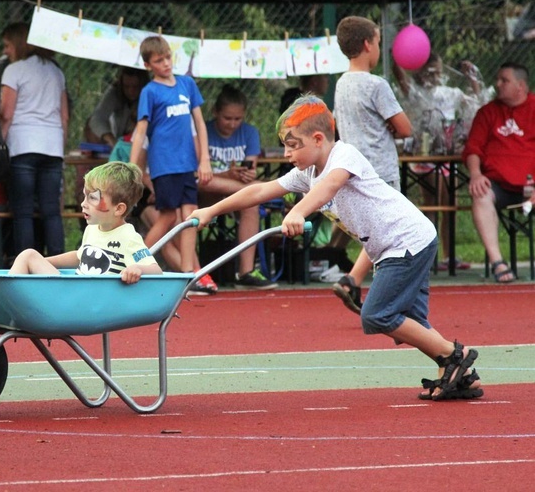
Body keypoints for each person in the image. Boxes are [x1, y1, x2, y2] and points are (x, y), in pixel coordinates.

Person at [188, 94, 483, 402]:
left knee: (377, 315)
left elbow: (330, 185)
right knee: (412, 322)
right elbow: (262, 189)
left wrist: (298, 211)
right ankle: (464, 379)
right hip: (395, 247)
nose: (287, 153)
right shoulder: (307, 173)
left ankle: (454, 356)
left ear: (318, 138)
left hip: (407, 242)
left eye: (293, 145)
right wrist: (211, 210)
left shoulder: (344, 156)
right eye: (285, 146)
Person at [331, 15, 412, 314]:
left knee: (377, 232)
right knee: (391, 233)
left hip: (352, 166)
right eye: (378, 42)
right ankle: (381, 295)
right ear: (368, 44)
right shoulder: (377, 84)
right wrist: (391, 125)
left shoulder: (341, 84)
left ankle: (354, 279)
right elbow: (405, 128)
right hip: (380, 169)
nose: (379, 48)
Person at [130, 36, 215, 295]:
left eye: (167, 57)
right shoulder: (150, 92)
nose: (166, 63)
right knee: (167, 216)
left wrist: (204, 159)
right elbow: (142, 129)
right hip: (164, 163)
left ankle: (188, 274)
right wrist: (133, 168)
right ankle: (134, 260)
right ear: (148, 65)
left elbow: (199, 123)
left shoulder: (187, 84)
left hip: (187, 162)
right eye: (159, 60)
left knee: (190, 216)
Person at [393, 52, 489, 271]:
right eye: (431, 70)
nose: (436, 75)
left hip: (446, 154)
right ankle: (426, 254)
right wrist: (398, 60)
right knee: (434, 204)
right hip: (425, 158)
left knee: (450, 206)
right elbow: (402, 82)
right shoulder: (418, 94)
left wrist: (471, 77)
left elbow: (476, 102)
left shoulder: (450, 93)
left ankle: (448, 254)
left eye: (438, 70)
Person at [9, 162, 162, 281]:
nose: (83, 203)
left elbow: (156, 270)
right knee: (28, 257)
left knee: (28, 255)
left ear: (118, 209)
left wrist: (137, 268)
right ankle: (7, 303)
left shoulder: (128, 237)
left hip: (86, 299)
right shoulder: (93, 229)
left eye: (92, 198)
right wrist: (43, 261)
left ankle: (6, 305)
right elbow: (80, 256)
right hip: (77, 294)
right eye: (84, 196)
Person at [0, 22, 68, 259]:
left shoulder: (14, 71)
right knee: (51, 211)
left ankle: (26, 262)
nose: (5, 52)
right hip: (53, 146)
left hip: (23, 145)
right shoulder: (56, 71)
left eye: (7, 46)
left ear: (19, 43)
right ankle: (59, 261)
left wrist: (0, 142)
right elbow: (64, 116)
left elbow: (6, 113)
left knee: (24, 212)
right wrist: (61, 144)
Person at [462, 62, 535, 282]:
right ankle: (498, 262)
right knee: (480, 193)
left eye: (504, 80)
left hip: (531, 185)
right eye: (498, 80)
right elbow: (473, 149)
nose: (498, 84)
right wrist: (475, 174)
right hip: (499, 185)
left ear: (521, 86)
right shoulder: (487, 113)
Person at [199, 84, 276, 289]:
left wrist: (247, 175)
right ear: (215, 112)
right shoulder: (203, 131)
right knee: (208, 182)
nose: (232, 124)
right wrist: (228, 175)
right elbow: (199, 177)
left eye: (237, 119)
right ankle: (266, 190)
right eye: (227, 118)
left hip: (235, 190)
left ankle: (245, 272)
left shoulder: (250, 133)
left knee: (250, 204)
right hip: (207, 192)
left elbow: (250, 167)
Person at [83, 67, 150, 146]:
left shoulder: (150, 94)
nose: (130, 91)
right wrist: (110, 139)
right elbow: (97, 118)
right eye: (126, 86)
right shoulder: (115, 93)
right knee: (90, 126)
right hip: (117, 138)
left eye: (135, 87)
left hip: (142, 142)